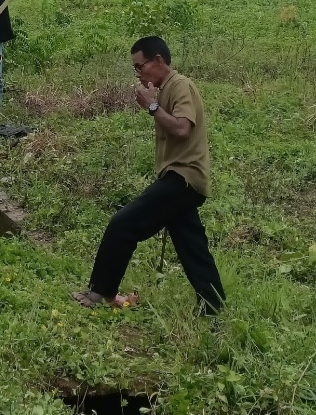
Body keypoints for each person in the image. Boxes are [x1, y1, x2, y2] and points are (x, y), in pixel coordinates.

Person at [71, 36, 226, 315]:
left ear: (158, 61)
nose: (139, 74)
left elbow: (182, 129)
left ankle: (100, 292)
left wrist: (152, 107)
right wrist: (153, 104)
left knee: (124, 223)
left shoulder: (180, 86)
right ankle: (214, 307)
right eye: (135, 69)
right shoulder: (165, 88)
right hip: (181, 177)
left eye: (140, 67)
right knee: (192, 247)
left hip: (184, 177)